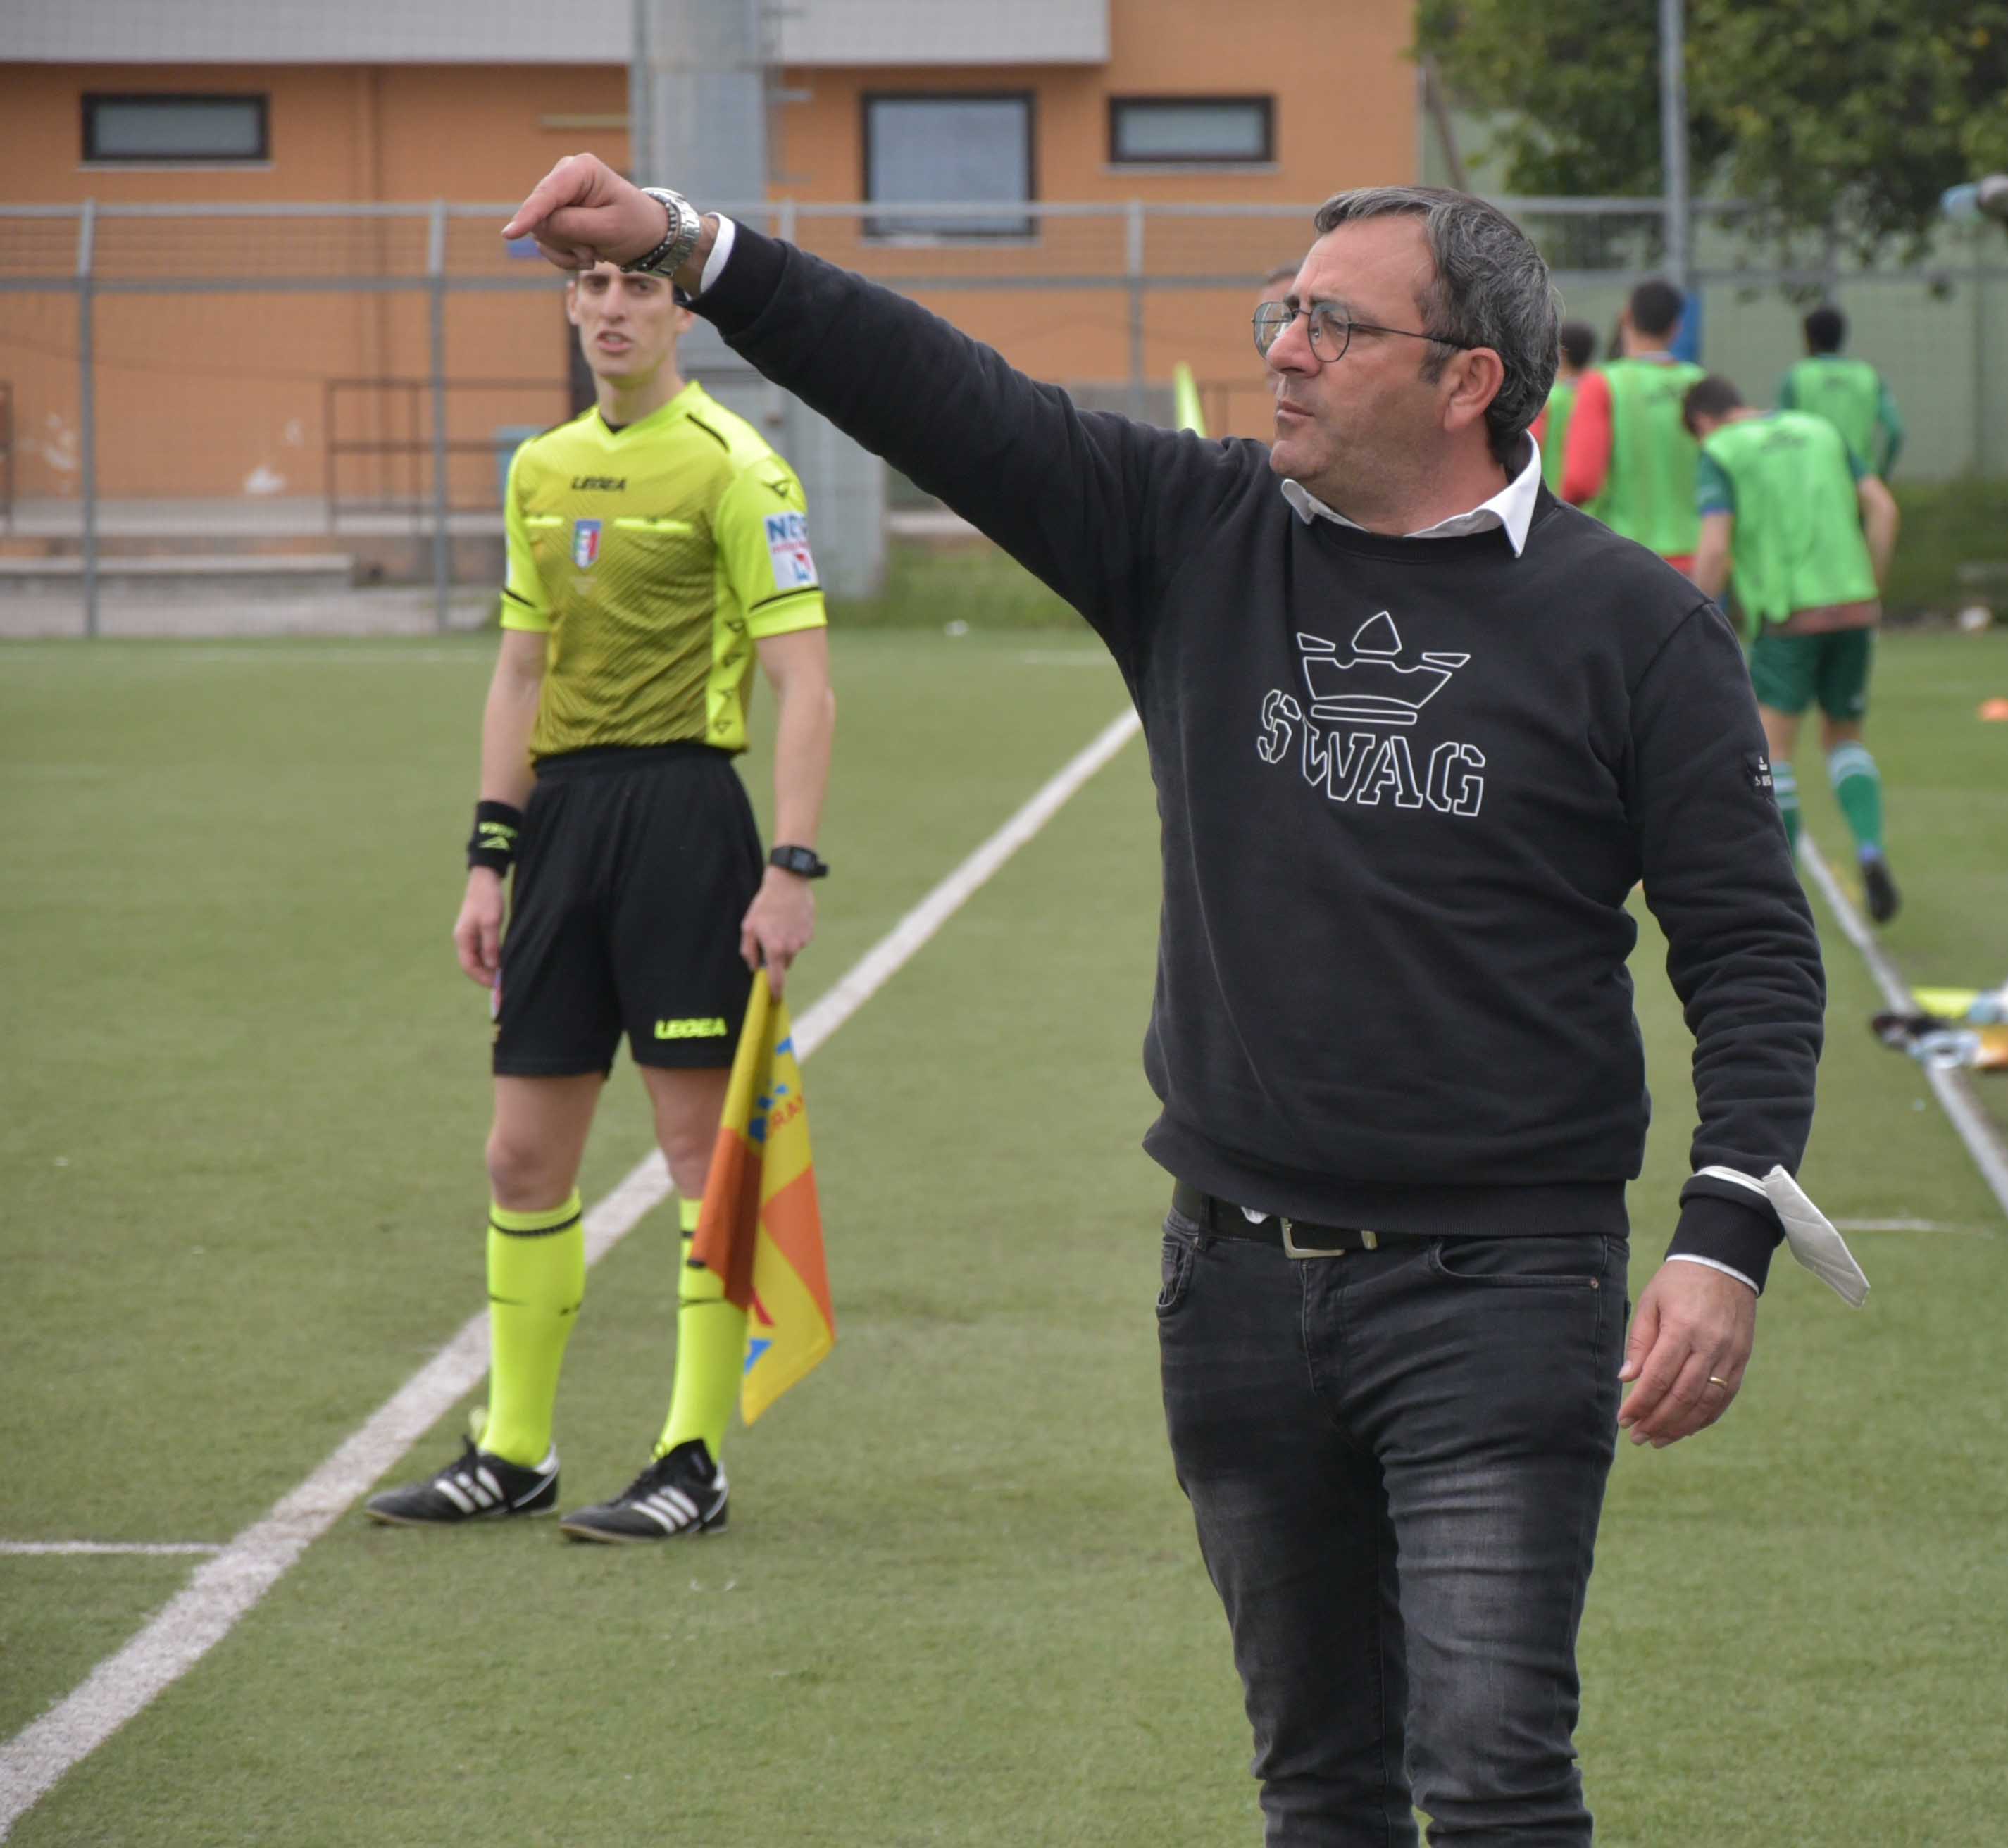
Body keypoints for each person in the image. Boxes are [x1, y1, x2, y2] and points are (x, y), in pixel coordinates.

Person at [503, 161, 1826, 1842]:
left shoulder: (1634, 630)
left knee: (1493, 1777)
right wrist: (694, 247)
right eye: (1283, 307)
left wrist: (1724, 1233)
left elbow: (1753, 952)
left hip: (1503, 1283)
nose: (1282, 345)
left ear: (1466, 378)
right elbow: (942, 394)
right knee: (1319, 1783)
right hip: (1239, 1282)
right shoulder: (1195, 534)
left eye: (1333, 323)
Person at [366, 256, 835, 1544]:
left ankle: (692, 1455)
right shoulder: (540, 466)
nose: (615, 305)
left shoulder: (738, 463)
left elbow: (806, 682)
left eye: (640, 283)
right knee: (521, 1152)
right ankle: (513, 1449)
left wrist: (789, 868)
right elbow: (520, 672)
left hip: (687, 820)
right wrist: (489, 855)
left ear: (682, 311)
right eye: (593, 285)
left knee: (697, 1155)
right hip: (562, 830)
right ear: (572, 308)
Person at [1682, 373, 1903, 918]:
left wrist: (1684, 620)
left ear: (1703, 423)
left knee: (1774, 749)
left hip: (1789, 614)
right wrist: (1870, 584)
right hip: (1853, 604)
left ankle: (1786, 887)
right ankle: (1871, 850)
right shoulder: (1820, 430)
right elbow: (1884, 510)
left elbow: (1714, 548)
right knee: (1845, 736)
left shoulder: (1721, 450)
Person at [1557, 277, 1705, 570]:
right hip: (1699, 556)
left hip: (1628, 558)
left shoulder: (1603, 384)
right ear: (1676, 327)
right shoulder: (1700, 384)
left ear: (1626, 317)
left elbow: (1581, 481)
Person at [1779, 304, 1904, 480]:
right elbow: (1896, 432)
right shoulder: (1869, 377)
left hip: (1813, 479)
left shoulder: (1796, 377)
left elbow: (1781, 434)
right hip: (1859, 482)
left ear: (1809, 339)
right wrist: (1880, 477)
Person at [1534, 318, 1597, 497]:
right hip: (1595, 508)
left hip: (1554, 499)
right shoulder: (1599, 396)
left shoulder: (1548, 401)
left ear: (1561, 353)